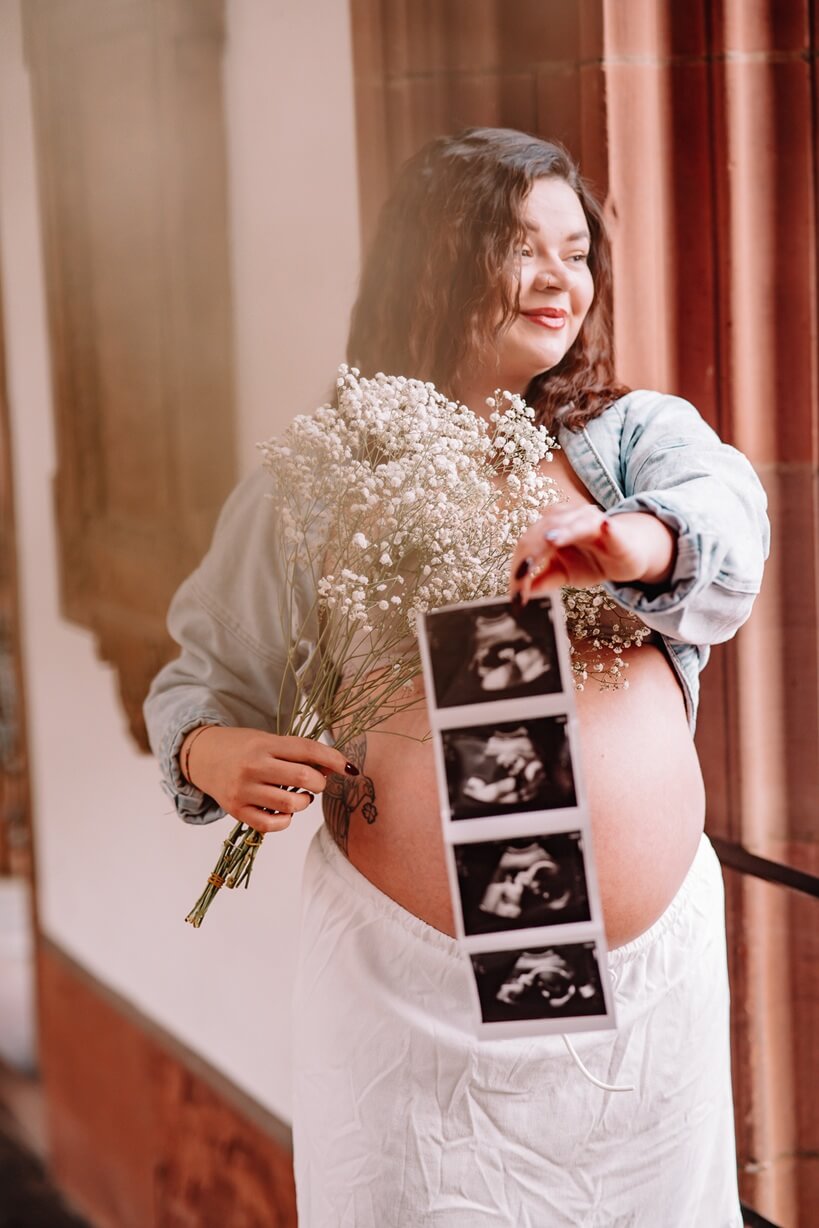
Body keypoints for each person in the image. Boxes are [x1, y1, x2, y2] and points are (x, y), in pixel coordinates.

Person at [144, 128, 769, 1226]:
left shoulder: (632, 439)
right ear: (433, 255)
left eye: (577, 252)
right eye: (521, 246)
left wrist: (631, 544)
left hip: (641, 1009)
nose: (559, 280)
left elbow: (728, 522)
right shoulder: (326, 469)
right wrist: (210, 750)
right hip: (413, 1008)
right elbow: (204, 672)